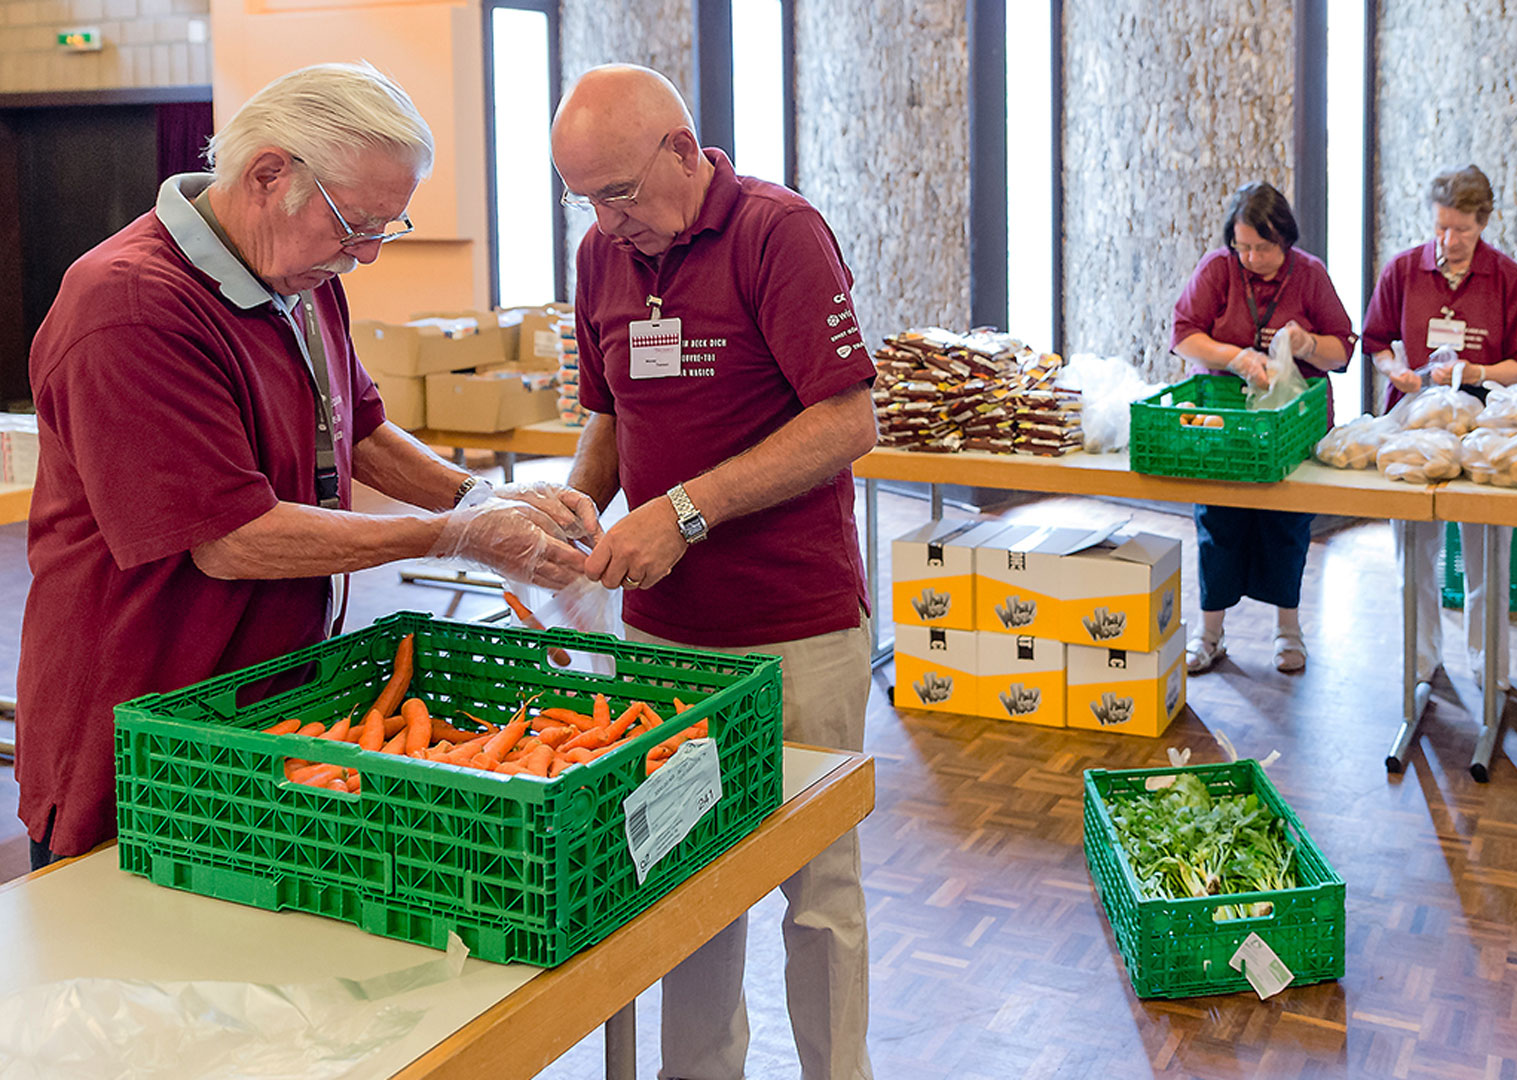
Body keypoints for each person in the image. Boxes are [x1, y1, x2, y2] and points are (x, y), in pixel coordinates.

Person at [17, 62, 594, 868]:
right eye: (355, 223)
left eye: (386, 227)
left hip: (268, 692)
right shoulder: (131, 306)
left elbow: (359, 431)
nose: (367, 254)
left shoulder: (300, 273)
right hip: (146, 703)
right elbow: (233, 540)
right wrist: (452, 537)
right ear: (267, 175)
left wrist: (480, 496)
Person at [551, 65, 878, 1080]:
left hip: (795, 625)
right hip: (663, 637)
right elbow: (612, 414)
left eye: (619, 194)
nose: (607, 223)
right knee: (684, 882)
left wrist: (686, 511)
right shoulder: (601, 256)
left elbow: (847, 421)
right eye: (583, 201)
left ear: (684, 151)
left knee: (817, 886)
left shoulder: (778, 234)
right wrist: (576, 506)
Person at [1361, 164, 1517, 693]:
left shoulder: (1509, 279)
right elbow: (1376, 341)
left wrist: (1476, 372)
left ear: (1483, 223)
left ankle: (1489, 667)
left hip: (1487, 431)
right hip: (1415, 426)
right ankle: (1421, 659)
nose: (1449, 240)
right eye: (1441, 227)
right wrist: (1393, 369)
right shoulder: (1403, 270)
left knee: (1487, 554)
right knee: (1413, 549)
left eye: (1462, 230)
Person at [1171, 182, 1355, 674]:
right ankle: (1210, 634)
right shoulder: (1218, 268)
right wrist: (1235, 358)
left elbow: (1342, 350)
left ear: (1286, 240)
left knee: (1286, 524)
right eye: (1243, 246)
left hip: (1291, 424)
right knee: (1218, 522)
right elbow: (1184, 335)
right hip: (1225, 418)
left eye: (1263, 248)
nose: (1252, 257)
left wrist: (1308, 344)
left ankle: (1288, 630)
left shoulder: (1309, 274)